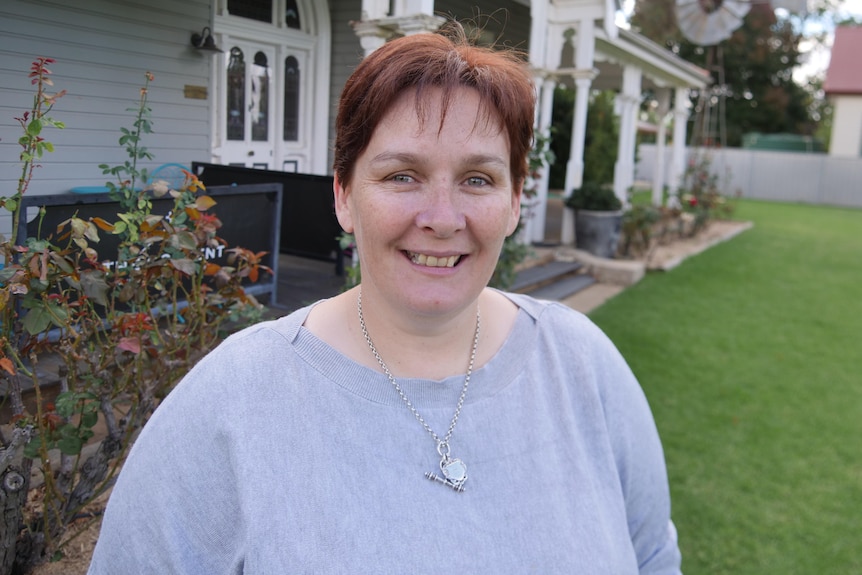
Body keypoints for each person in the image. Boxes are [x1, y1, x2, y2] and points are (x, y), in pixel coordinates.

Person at [88, 23, 681, 574]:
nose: (443, 219)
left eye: (478, 179)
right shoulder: (230, 405)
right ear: (344, 196)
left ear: (514, 201)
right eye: (402, 175)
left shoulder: (584, 367)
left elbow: (653, 556)